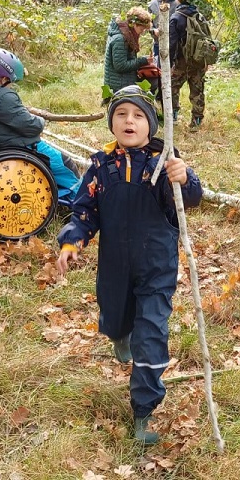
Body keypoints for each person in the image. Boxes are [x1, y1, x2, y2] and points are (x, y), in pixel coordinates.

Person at [55, 85, 203, 446]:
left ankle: (144, 409)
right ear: (112, 123)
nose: (129, 121)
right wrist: (73, 239)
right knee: (116, 317)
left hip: (156, 267)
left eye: (138, 115)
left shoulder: (162, 164)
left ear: (151, 125)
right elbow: (84, 211)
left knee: (150, 336)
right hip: (115, 266)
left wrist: (185, 178)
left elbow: (191, 199)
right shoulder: (101, 167)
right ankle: (119, 334)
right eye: (121, 114)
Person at [0, 48, 81, 200]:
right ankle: (79, 198)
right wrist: (40, 120)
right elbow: (32, 127)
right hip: (17, 147)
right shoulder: (3, 97)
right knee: (65, 162)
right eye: (10, 81)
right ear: (1, 78)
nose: (11, 85)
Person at [169, 0, 208, 130]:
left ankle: (173, 115)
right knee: (197, 91)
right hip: (198, 61)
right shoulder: (199, 16)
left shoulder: (176, 18)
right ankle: (196, 121)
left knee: (172, 87)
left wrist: (170, 62)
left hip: (181, 62)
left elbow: (171, 44)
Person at [103, 7, 154, 102]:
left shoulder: (127, 35)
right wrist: (142, 61)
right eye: (142, 28)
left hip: (123, 81)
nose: (143, 32)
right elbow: (120, 66)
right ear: (134, 24)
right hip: (119, 86)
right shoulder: (120, 39)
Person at [148, 0, 179, 64]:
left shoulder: (177, 4)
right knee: (159, 70)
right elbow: (148, 25)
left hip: (174, 45)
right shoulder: (152, 4)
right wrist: (153, 31)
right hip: (158, 44)